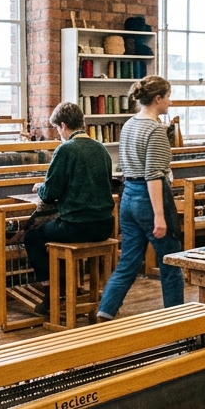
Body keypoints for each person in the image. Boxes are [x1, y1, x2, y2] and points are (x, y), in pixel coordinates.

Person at [97, 76, 184, 320]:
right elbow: (154, 176)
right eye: (168, 96)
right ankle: (177, 320)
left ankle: (106, 310)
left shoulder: (129, 124)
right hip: (149, 198)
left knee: (129, 261)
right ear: (157, 99)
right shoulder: (155, 130)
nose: (170, 101)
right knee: (171, 261)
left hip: (128, 197)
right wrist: (159, 216)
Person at [24, 102, 116, 317]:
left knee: (33, 237)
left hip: (77, 227)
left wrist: (40, 187)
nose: (59, 134)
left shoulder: (66, 149)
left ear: (63, 125)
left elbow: (50, 193)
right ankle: (69, 287)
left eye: (57, 129)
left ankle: (53, 295)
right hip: (104, 225)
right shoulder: (100, 148)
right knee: (51, 230)